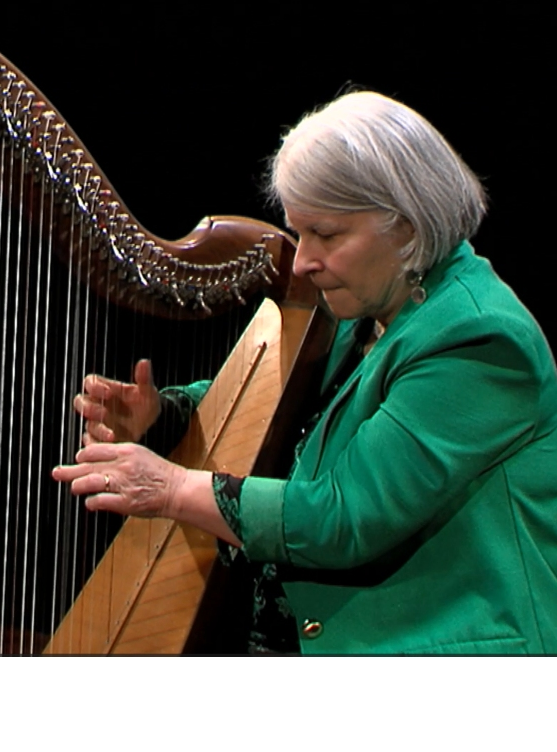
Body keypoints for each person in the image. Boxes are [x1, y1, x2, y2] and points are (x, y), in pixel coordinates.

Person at [54, 90, 557, 654]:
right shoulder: (374, 305)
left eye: (327, 234)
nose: (301, 261)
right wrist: (165, 413)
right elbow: (299, 408)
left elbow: (344, 516)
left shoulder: (478, 339)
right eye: (300, 231)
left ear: (408, 228)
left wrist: (172, 489)